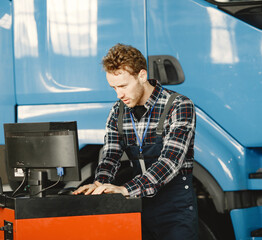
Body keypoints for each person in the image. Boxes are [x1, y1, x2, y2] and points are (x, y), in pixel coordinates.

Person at [73, 43, 198, 240]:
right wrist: (100, 183)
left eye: (123, 86)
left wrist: (125, 189)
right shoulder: (118, 111)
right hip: (139, 207)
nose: (119, 95)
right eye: (114, 87)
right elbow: (111, 154)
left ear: (142, 75)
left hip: (175, 210)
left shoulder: (179, 106)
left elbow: (170, 162)